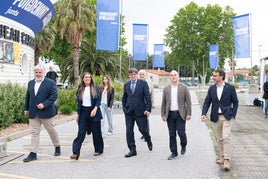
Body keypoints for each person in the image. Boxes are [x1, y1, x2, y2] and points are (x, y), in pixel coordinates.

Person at [201, 69, 238, 171]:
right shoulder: (212, 88)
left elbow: (235, 102)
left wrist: (233, 114)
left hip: (227, 116)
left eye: (215, 76)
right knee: (220, 138)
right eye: (213, 75)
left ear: (221, 76)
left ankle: (227, 159)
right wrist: (203, 113)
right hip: (216, 116)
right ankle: (222, 157)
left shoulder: (230, 88)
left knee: (226, 137)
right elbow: (207, 101)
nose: (213, 77)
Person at [23, 64, 61, 162]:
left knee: (51, 130)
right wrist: (26, 109)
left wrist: (44, 104)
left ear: (43, 73)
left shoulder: (50, 83)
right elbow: (28, 96)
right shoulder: (30, 83)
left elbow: (54, 95)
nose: (38, 74)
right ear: (34, 73)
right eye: (36, 72)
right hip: (33, 112)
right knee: (34, 133)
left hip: (46, 112)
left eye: (40, 72)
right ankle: (33, 153)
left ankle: (57, 146)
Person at [70, 72, 104, 160]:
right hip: (84, 113)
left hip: (94, 111)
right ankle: (75, 152)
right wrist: (78, 114)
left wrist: (95, 109)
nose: (88, 78)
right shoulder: (80, 88)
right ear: (83, 79)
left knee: (96, 132)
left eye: (89, 77)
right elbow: (79, 103)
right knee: (81, 132)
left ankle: (98, 149)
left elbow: (98, 100)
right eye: (86, 77)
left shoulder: (95, 87)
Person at [161, 70, 192, 160]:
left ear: (178, 76)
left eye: (175, 75)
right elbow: (163, 102)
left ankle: (183, 144)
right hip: (170, 114)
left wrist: (189, 113)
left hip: (180, 114)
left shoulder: (184, 88)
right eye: (171, 75)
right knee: (172, 134)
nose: (173, 77)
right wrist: (163, 114)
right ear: (169, 77)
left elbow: (188, 102)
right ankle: (174, 152)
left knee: (181, 133)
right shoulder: (166, 89)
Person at [122, 68, 153, 158]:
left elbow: (148, 97)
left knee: (143, 130)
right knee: (129, 131)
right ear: (129, 75)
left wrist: (148, 109)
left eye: (135, 74)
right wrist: (124, 108)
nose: (133, 75)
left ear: (137, 75)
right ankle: (132, 149)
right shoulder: (126, 85)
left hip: (141, 111)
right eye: (131, 74)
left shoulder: (143, 84)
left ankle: (148, 138)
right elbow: (124, 98)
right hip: (129, 112)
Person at [138, 69, 155, 140]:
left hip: (146, 103)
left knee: (146, 119)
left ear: (145, 75)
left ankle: (147, 134)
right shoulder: (137, 82)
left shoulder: (149, 83)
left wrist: (153, 103)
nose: (142, 76)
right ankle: (144, 133)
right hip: (139, 104)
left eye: (143, 74)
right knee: (140, 120)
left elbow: (152, 94)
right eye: (140, 74)